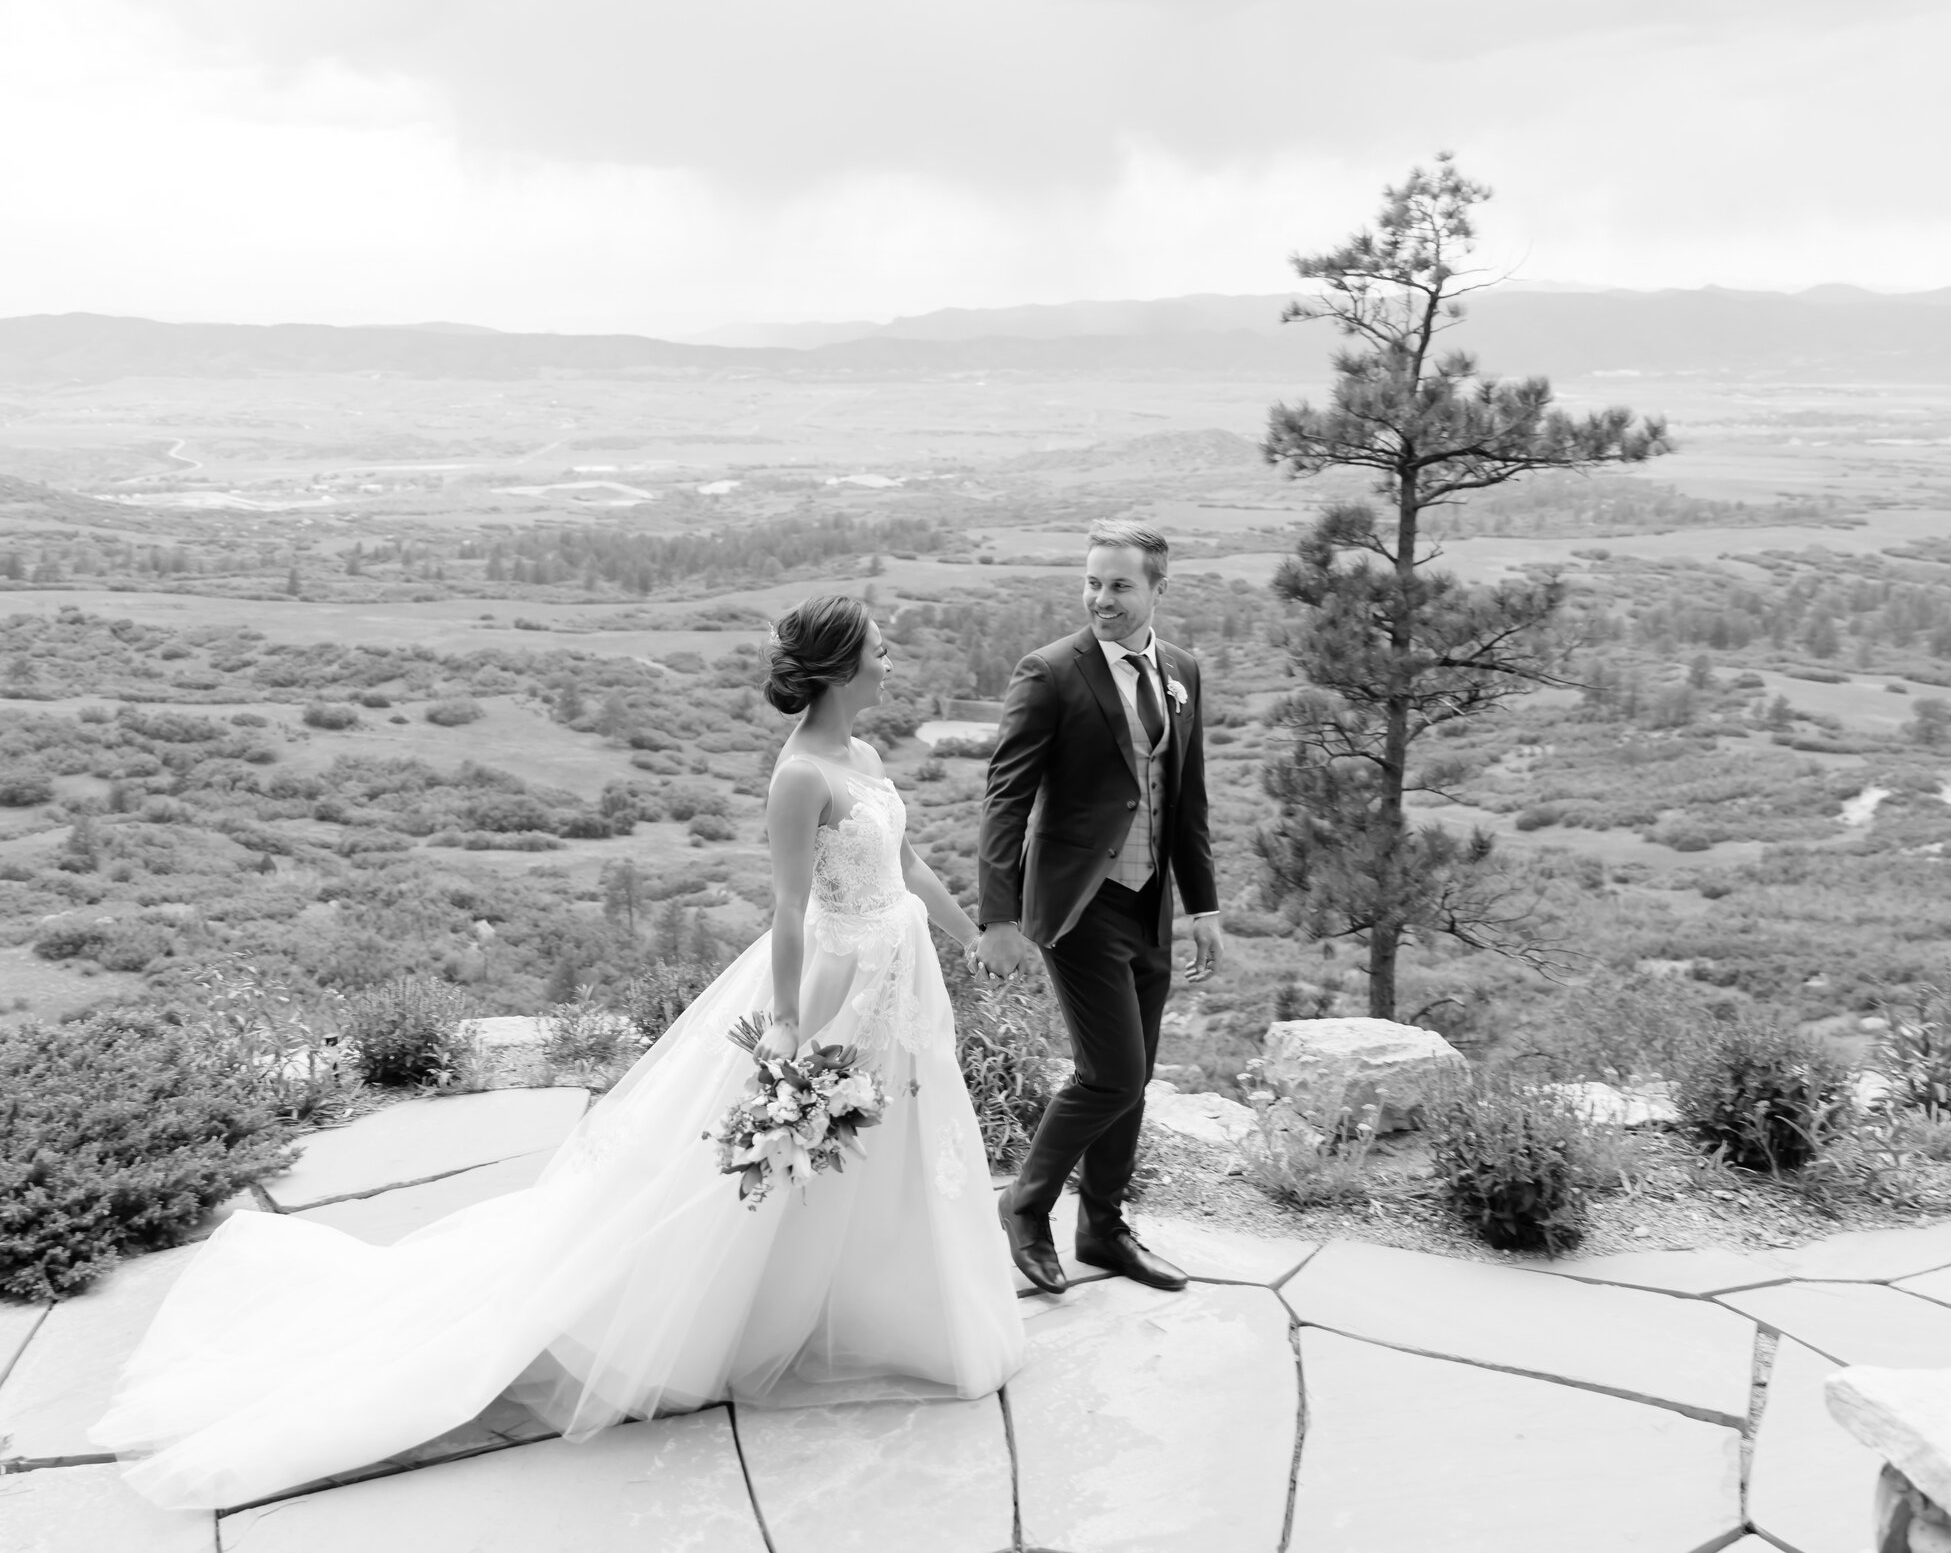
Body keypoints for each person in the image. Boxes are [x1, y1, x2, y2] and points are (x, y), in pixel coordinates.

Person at [90, 595, 1023, 1509]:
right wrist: (784, 1025)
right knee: (796, 1151)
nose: (891, 657)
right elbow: (786, 908)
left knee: (891, 1141)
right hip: (831, 980)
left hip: (897, 978)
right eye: (879, 647)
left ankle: (878, 1303)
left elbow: (904, 866)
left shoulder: (861, 753)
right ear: (837, 669)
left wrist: (970, 932)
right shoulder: (800, 777)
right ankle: (750, 1317)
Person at [975, 520, 1223, 1296]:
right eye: (1091, 582)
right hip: (1078, 904)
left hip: (1152, 903)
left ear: (1156, 589)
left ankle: (1104, 1228)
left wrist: (1204, 904)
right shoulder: (1050, 672)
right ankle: (1025, 1202)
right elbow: (1005, 800)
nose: (1100, 598)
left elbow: (1187, 800)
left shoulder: (1182, 670)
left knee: (1137, 1073)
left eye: (1118, 585)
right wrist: (999, 916)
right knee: (1111, 1072)